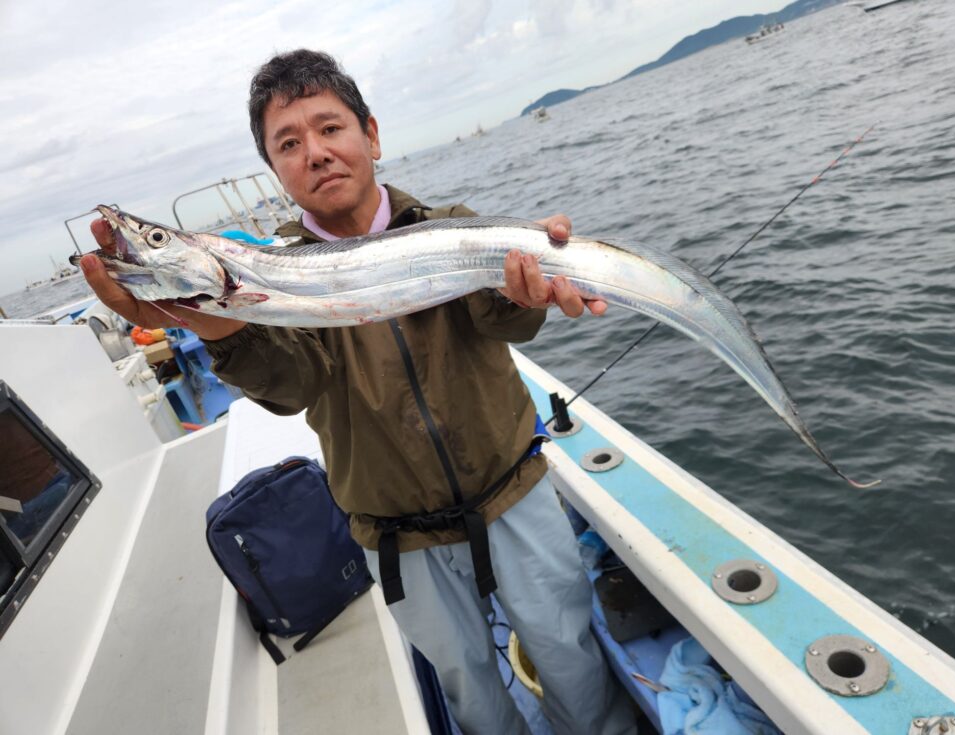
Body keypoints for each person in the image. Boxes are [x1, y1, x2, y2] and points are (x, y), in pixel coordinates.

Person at [80, 49, 636, 735]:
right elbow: (295, 385)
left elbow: (508, 321)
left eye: (329, 128)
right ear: (276, 171)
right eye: (289, 143)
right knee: (470, 692)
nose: (315, 152)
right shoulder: (271, 275)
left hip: (515, 493)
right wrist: (218, 327)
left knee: (571, 658)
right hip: (398, 539)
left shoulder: (452, 226)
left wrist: (531, 293)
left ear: (370, 134)